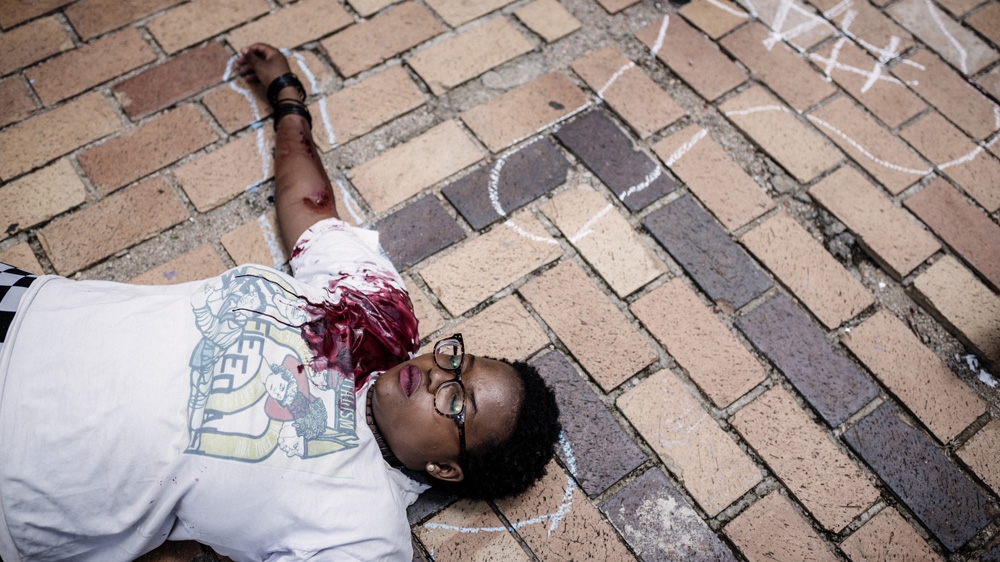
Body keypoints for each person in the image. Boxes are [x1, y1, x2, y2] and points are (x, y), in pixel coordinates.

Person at [0, 43, 561, 562]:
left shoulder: (360, 528)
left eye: (458, 405)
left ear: (445, 467)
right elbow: (311, 207)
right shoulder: (377, 315)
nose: (440, 375)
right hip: (29, 310)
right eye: (457, 361)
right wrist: (288, 97)